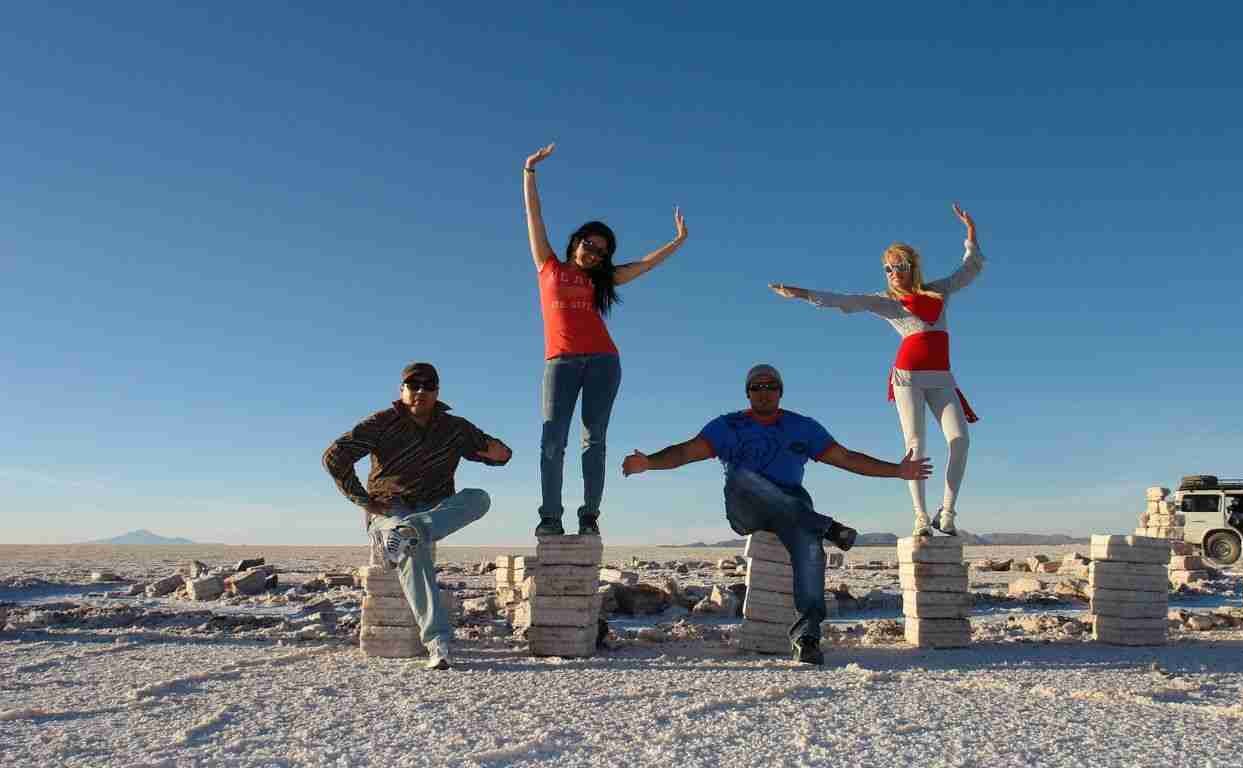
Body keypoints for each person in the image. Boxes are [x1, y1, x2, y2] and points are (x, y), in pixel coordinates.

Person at [621, 364, 933, 665]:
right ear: (747, 393)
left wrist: (897, 471)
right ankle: (826, 526)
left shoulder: (802, 427)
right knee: (741, 475)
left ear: (781, 391)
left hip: (792, 509)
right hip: (747, 506)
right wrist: (649, 462)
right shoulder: (728, 426)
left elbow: (847, 458)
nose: (764, 392)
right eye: (756, 387)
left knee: (810, 548)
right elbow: (685, 451)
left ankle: (807, 638)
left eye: (771, 386)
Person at [769, 203, 984, 537]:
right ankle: (920, 517)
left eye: (897, 265)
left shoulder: (938, 292)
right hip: (907, 377)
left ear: (911, 266)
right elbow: (846, 300)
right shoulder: (887, 300)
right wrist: (801, 293)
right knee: (916, 446)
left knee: (960, 440)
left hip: (942, 377)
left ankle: (948, 512)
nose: (892, 272)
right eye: (886, 268)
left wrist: (970, 234)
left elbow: (968, 270)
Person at [523, 142, 688, 537]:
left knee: (593, 441)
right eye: (589, 244)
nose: (594, 253)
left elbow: (645, 265)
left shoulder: (602, 279)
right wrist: (529, 173)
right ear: (575, 242)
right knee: (552, 441)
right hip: (560, 362)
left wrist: (677, 241)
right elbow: (535, 216)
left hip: (602, 361)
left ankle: (589, 516)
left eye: (602, 251)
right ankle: (550, 517)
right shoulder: (548, 266)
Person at [323, 362, 512, 670]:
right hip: (390, 508)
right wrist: (363, 500)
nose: (420, 391)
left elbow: (497, 454)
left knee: (479, 498)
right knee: (410, 545)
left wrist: (500, 453)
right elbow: (334, 456)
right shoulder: (381, 423)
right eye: (414, 385)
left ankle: (413, 529)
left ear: (437, 392)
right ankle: (438, 642)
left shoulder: (454, 428)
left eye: (428, 386)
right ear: (402, 390)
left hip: (434, 509)